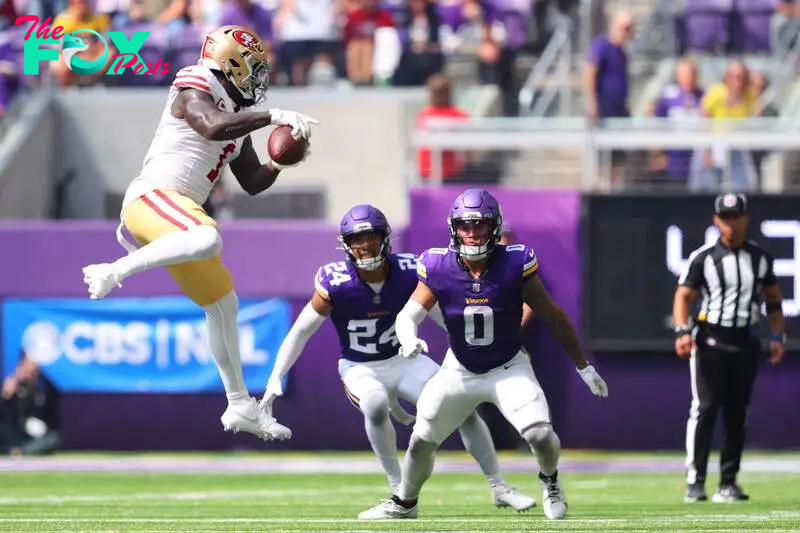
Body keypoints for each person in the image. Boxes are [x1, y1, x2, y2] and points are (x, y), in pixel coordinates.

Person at [80, 25, 317, 442]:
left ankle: (240, 403)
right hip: (152, 197)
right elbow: (210, 125)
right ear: (230, 61)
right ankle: (113, 271)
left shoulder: (236, 113)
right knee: (208, 237)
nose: (259, 78)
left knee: (223, 302)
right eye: (254, 68)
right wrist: (273, 115)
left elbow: (251, 182)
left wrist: (282, 161)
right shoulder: (196, 82)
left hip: (177, 215)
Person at [263, 204, 535, 511]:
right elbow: (300, 331)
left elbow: (443, 317)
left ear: (385, 238)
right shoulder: (334, 280)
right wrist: (275, 375)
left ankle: (498, 485)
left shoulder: (408, 271)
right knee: (376, 404)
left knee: (464, 409)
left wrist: (474, 348)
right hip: (361, 366)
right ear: (345, 244)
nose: (364, 245)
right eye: (357, 239)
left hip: (406, 360)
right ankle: (399, 492)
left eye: (371, 236)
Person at [358, 189, 609, 520]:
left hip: (508, 367)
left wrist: (583, 366)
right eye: (465, 226)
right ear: (454, 228)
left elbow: (551, 314)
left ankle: (550, 481)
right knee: (421, 440)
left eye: (480, 225)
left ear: (494, 227)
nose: (472, 233)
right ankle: (405, 503)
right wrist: (408, 338)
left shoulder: (515, 262)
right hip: (458, 371)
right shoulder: (438, 264)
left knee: (539, 434)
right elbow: (408, 314)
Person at [673, 193, 786, 503]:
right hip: (709, 341)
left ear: (746, 219)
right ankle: (695, 481)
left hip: (744, 342)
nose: (731, 224)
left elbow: (774, 301)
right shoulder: (704, 257)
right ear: (716, 220)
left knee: (737, 413)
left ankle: (729, 481)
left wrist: (778, 337)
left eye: (736, 217)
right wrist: (683, 331)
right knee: (705, 409)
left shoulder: (760, 258)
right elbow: (683, 295)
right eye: (725, 217)